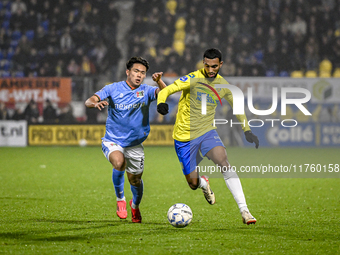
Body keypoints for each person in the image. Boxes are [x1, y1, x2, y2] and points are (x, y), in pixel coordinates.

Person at [156, 48, 259, 225]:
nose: (210, 70)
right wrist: (161, 103)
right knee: (193, 184)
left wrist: (247, 130)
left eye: (214, 66)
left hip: (206, 132)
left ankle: (245, 211)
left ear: (221, 64)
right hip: (184, 137)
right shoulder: (192, 78)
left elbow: (238, 107)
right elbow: (168, 90)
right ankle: (203, 183)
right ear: (203, 63)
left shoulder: (224, 86)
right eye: (207, 65)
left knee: (223, 161)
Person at [85, 57, 165, 223]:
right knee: (119, 163)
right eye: (136, 71)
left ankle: (134, 206)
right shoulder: (113, 88)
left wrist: (159, 82)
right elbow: (89, 100)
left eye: (143, 73)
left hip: (135, 144)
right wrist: (95, 103)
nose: (139, 75)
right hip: (113, 140)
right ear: (128, 72)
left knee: (135, 180)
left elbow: (164, 94)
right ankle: (120, 199)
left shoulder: (146, 91)